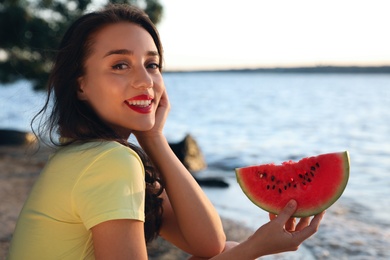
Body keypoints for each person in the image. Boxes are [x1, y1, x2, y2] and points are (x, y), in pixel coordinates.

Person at [7, 4, 324, 259]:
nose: (145, 81)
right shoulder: (108, 161)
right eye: (120, 65)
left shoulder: (84, 153)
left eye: (152, 64)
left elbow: (208, 244)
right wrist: (256, 249)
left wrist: (154, 139)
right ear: (81, 84)